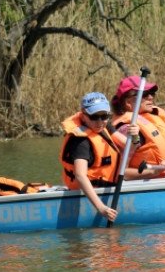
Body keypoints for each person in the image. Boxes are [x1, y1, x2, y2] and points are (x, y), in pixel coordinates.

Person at [60, 92, 143, 222]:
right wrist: (101, 208)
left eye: (104, 116)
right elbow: (80, 175)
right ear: (83, 115)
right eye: (94, 117)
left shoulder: (105, 127)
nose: (99, 122)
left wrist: (135, 137)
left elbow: (130, 148)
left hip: (109, 186)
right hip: (91, 195)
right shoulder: (81, 141)